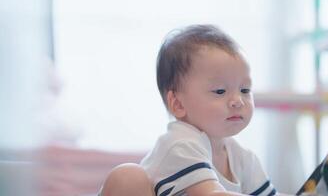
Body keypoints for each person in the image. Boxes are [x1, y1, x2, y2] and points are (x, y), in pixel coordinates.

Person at [101, 24, 279, 196]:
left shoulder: (244, 158)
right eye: (220, 91)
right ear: (178, 104)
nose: (237, 101)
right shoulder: (182, 143)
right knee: (127, 177)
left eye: (245, 90)